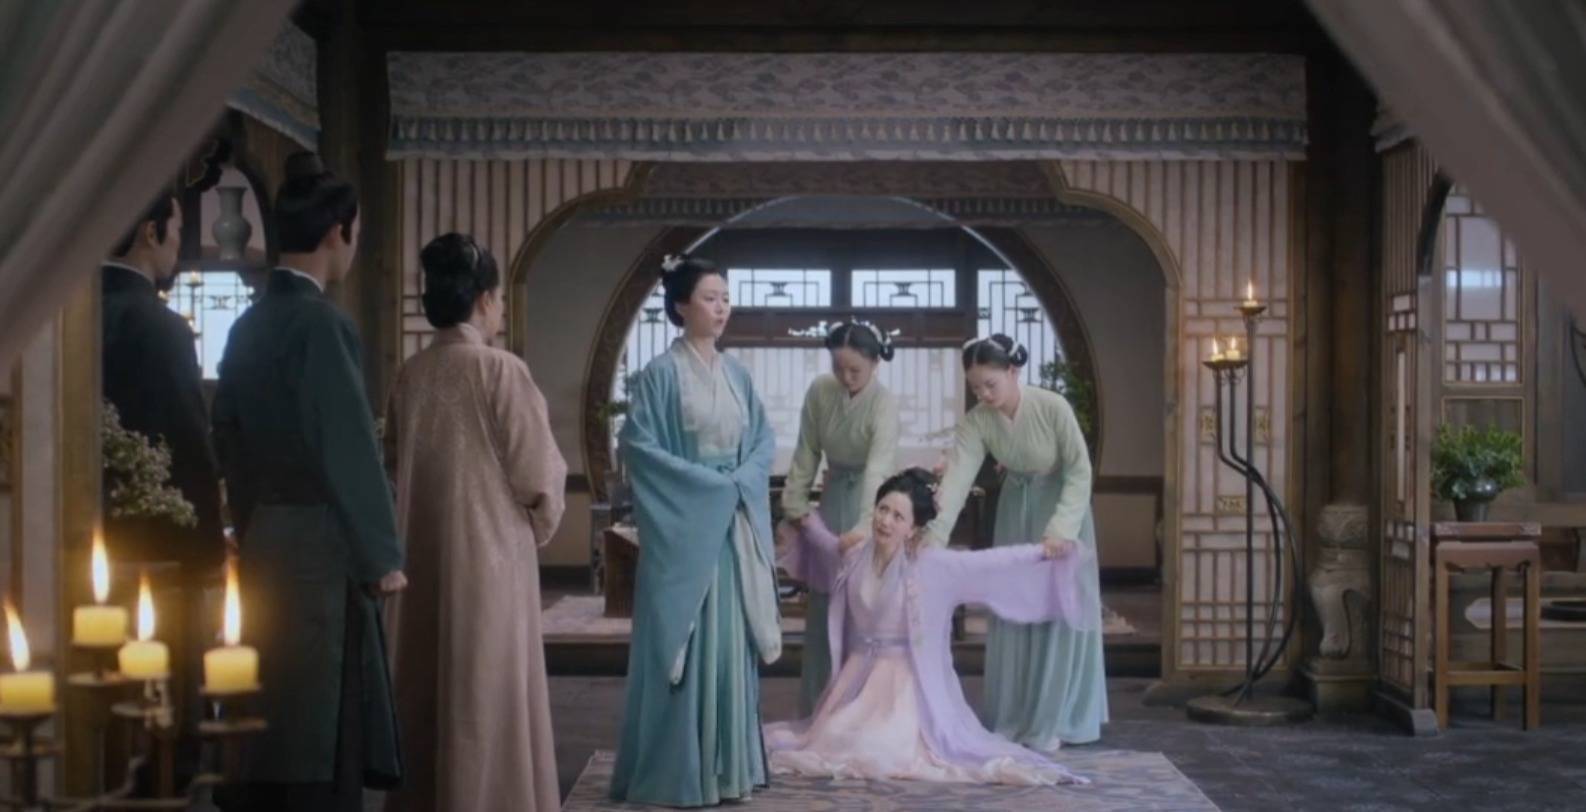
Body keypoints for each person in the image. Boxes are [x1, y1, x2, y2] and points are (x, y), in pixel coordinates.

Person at [213, 152, 405, 811]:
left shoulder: (248, 323)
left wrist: (247, 519)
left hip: (264, 535)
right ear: (337, 232)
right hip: (319, 545)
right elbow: (346, 443)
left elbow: (227, 435)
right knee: (320, 718)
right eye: (355, 233)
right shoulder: (322, 323)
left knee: (269, 705)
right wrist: (381, 555)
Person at [383, 233, 567, 812]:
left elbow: (392, 465)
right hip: (493, 560)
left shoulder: (412, 373)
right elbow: (539, 475)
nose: (501, 309)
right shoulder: (501, 370)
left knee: (429, 682)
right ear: (485, 299)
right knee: (489, 686)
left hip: (422, 551)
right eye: (500, 299)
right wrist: (536, 527)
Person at [768, 468, 1094, 785]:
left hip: (903, 686)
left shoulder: (929, 565)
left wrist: (1041, 553)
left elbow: (987, 565)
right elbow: (826, 549)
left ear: (912, 529)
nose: (885, 521)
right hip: (856, 679)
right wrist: (804, 520)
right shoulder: (855, 556)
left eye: (898, 516)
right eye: (883, 509)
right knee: (832, 737)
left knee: (878, 747)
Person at [609, 253, 781, 807]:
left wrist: (738, 483)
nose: (722, 308)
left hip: (730, 525)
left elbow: (762, 442)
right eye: (710, 298)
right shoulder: (659, 375)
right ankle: (680, 772)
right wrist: (710, 487)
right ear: (682, 305)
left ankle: (728, 769)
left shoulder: (737, 375)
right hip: (687, 529)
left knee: (730, 643)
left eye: (726, 298)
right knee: (683, 643)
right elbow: (640, 448)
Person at [925, 334, 1105, 749]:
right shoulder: (978, 421)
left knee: (1056, 612)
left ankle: (1055, 719)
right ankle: (1015, 715)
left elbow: (1079, 470)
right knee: (1013, 607)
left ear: (1013, 371)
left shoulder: (1052, 407)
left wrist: (1062, 528)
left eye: (991, 384)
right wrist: (935, 536)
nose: (984, 395)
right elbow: (957, 479)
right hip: (1014, 511)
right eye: (976, 388)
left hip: (1060, 511)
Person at [101, 192, 225, 785]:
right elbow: (187, 443)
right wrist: (209, 547)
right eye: (176, 229)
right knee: (167, 711)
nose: (179, 244)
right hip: (158, 545)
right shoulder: (160, 326)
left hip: (72, 540)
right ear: (149, 232)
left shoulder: (66, 313)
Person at [779, 320, 898, 715]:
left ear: (875, 364)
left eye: (855, 370)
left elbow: (878, 471)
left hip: (873, 506)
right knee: (825, 604)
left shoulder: (883, 404)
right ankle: (820, 704)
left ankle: (858, 711)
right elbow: (807, 451)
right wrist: (796, 504)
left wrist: (866, 528)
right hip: (831, 504)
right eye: (838, 368)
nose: (846, 378)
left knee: (864, 607)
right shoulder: (820, 391)